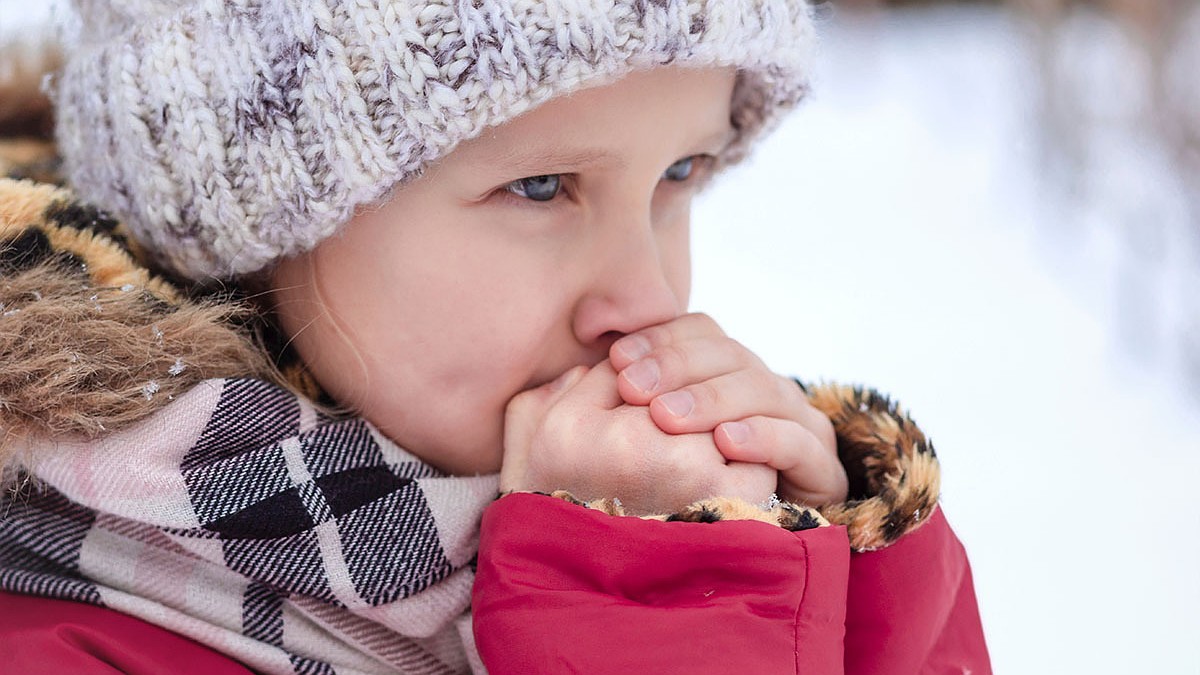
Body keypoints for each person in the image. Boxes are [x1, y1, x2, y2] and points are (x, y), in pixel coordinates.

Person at [0, 1, 991, 673]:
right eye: (539, 186)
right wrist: (644, 613)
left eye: (681, 173)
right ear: (248, 217)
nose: (645, 297)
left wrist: (836, 596)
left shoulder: (639, 477)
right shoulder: (62, 640)